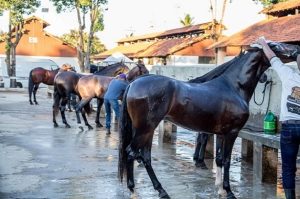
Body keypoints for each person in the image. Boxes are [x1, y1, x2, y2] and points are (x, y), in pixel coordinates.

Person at [256, 37, 300, 199]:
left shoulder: (288, 74)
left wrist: (263, 43)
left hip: (289, 127)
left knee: (288, 167)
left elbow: (272, 58)